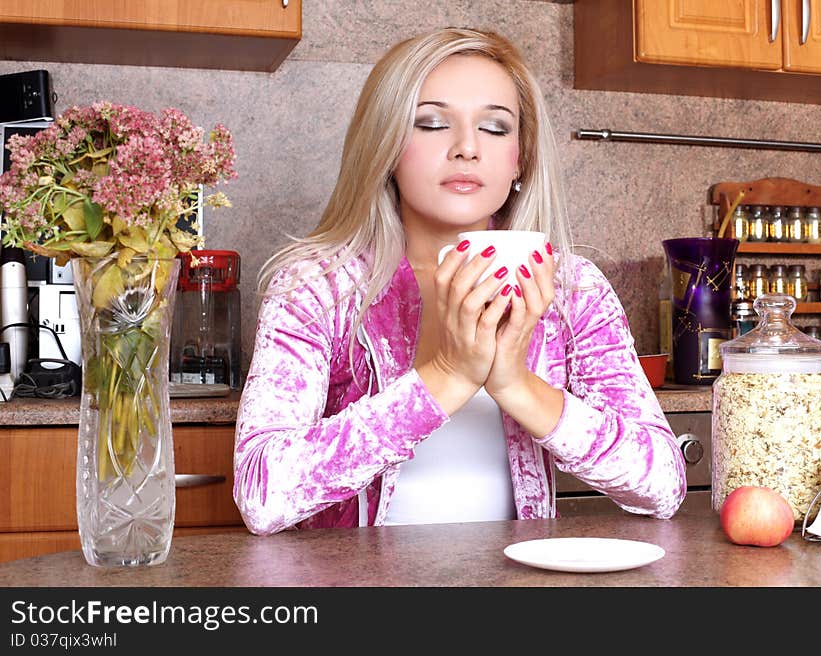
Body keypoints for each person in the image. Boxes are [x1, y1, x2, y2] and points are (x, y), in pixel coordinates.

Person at [234, 27, 687, 535]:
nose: (467, 148)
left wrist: (516, 385)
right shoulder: (318, 288)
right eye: (430, 123)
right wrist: (446, 375)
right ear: (385, 147)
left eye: (495, 129)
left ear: (521, 158)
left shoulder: (572, 291)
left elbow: (662, 483)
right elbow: (262, 494)